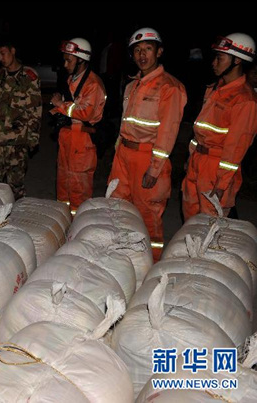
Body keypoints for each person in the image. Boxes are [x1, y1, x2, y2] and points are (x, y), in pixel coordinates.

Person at [107, 28, 187, 261]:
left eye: (148, 49)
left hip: (147, 158)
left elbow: (168, 131)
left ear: (159, 52)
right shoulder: (132, 85)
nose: (142, 55)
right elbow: (125, 123)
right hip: (124, 154)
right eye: (137, 50)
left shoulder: (169, 87)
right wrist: (117, 152)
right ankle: (123, 258)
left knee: (147, 216)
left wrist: (155, 168)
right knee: (117, 208)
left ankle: (151, 262)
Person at [182, 33, 257, 220]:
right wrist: (191, 156)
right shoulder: (216, 89)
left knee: (211, 223)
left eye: (220, 58)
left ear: (237, 61)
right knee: (190, 218)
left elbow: (236, 148)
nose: (214, 63)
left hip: (216, 168)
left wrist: (222, 183)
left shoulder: (245, 99)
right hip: (198, 161)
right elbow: (201, 129)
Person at [0, 34, 42, 199]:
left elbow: (35, 110)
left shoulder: (29, 76)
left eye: (3, 53)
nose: (1, 58)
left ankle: (16, 213)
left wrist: (33, 138)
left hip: (17, 142)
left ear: (12, 51)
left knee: (16, 186)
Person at [49, 38, 106, 214]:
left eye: (69, 60)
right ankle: (63, 219)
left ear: (81, 60)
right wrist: (58, 109)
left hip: (82, 139)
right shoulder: (71, 80)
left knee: (78, 187)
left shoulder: (92, 84)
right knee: (63, 182)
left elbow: (85, 112)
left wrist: (61, 104)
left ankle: (78, 222)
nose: (65, 64)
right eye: (64, 60)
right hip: (67, 136)